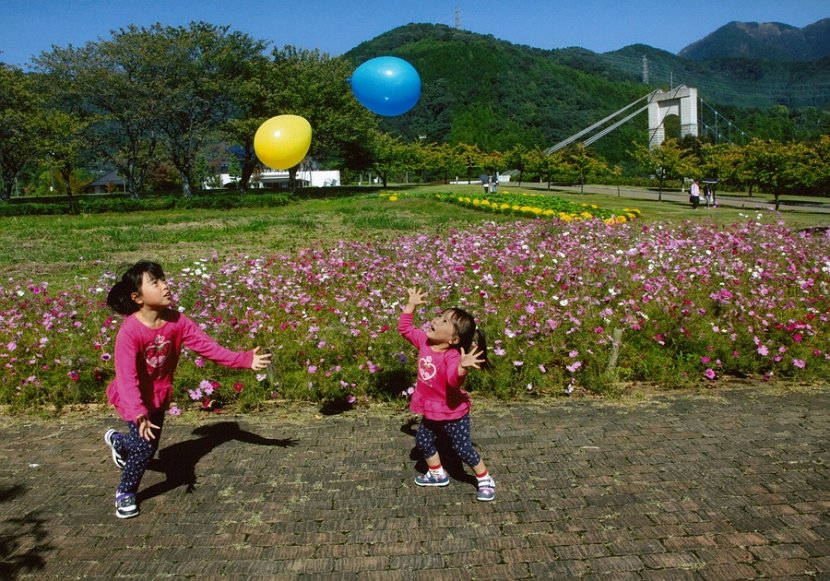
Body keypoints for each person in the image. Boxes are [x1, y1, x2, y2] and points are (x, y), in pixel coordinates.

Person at [103, 260, 271, 519]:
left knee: (143, 446)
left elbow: (208, 347)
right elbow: (127, 378)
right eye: (155, 283)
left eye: (164, 280)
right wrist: (138, 411)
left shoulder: (178, 322)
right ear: (137, 297)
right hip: (132, 399)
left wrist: (245, 359)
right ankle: (125, 492)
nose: (165, 286)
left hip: (158, 397)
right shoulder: (130, 332)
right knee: (146, 450)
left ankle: (118, 441)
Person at [397, 286, 496, 502]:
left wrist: (463, 367)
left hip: (452, 414)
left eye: (444, 322)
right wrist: (411, 305)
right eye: (440, 316)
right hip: (431, 410)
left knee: (463, 450)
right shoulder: (424, 341)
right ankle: (437, 473)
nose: (436, 319)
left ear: (454, 340)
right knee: (423, 442)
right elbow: (404, 328)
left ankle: (484, 478)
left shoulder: (452, 357)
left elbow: (453, 381)